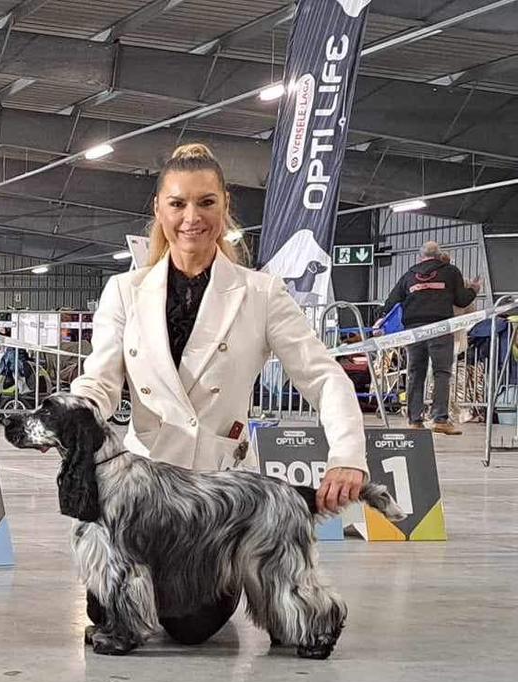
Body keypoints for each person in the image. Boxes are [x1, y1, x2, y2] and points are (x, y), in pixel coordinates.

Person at [71, 143, 368, 644]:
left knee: (189, 628)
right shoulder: (124, 290)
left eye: (206, 202)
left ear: (225, 205)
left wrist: (347, 456)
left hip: (219, 504)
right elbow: (99, 379)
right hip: (142, 496)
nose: (192, 218)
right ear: (159, 209)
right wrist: (72, 419)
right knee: (110, 609)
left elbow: (323, 377)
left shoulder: (261, 292)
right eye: (178, 203)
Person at [376, 240, 482, 434]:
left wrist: (380, 320)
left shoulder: (409, 275)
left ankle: (414, 420)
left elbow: (392, 301)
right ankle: (440, 419)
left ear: (420, 256)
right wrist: (474, 289)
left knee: (415, 374)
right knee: (441, 373)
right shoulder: (451, 272)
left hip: (414, 331)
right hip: (440, 328)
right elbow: (461, 300)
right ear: (439, 255)